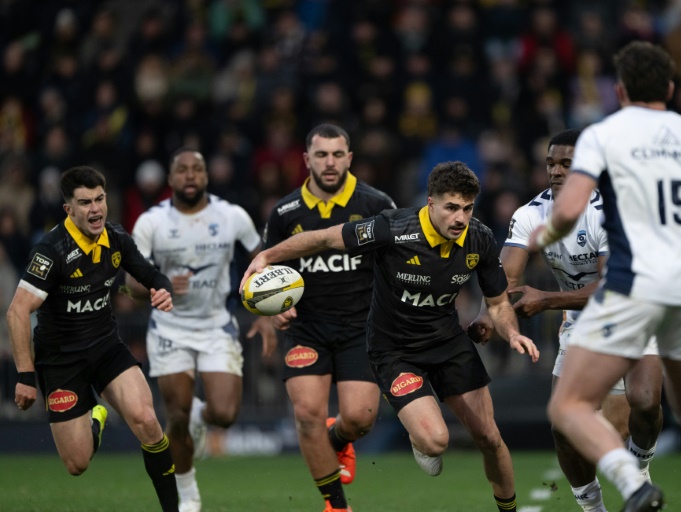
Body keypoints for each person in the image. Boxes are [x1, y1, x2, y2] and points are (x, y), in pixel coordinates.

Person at [528, 41, 681, 512]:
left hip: (631, 285)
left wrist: (544, 233)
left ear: (619, 90)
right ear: (672, 88)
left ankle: (633, 484)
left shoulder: (604, 136)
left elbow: (571, 208)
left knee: (567, 405)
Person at [472, 128, 681, 512]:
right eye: (551, 163)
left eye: (566, 164)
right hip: (587, 319)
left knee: (678, 403)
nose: (556, 171)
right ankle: (600, 505)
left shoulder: (649, 212)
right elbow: (504, 283)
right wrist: (486, 316)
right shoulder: (535, 214)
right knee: (568, 424)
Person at [243, 160, 541, 512]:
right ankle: (418, 437)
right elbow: (325, 238)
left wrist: (511, 334)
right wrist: (267, 255)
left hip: (447, 342)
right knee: (435, 442)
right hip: (394, 350)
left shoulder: (479, 237)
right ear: (431, 202)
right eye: (451, 207)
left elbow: (497, 302)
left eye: (467, 208)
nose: (460, 218)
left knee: (490, 437)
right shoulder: (392, 228)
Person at [6, 166, 178, 511]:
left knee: (147, 421)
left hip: (105, 347)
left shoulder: (116, 238)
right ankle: (95, 415)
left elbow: (151, 274)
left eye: (99, 199)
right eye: (85, 202)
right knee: (77, 464)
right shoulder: (51, 251)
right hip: (61, 360)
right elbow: (16, 311)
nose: (96, 209)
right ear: (68, 209)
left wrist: (164, 289)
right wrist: (25, 375)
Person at [126, 148, 276, 512]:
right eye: (182, 170)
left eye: (197, 169)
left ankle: (199, 416)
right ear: (171, 178)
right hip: (170, 328)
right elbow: (131, 285)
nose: (190, 175)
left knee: (224, 414)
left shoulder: (231, 216)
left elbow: (263, 261)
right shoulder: (151, 222)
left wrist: (266, 311)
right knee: (174, 416)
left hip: (215, 326)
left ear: (207, 176)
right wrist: (157, 286)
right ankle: (188, 493)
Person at [259, 123, 396, 512]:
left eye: (338, 154)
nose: (330, 162)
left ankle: (338, 439)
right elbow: (265, 271)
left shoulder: (376, 204)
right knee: (306, 413)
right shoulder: (285, 212)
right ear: (306, 160)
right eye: (321, 155)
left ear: (350, 158)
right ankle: (336, 505)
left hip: (361, 328)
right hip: (307, 328)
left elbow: (394, 266)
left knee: (360, 419)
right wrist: (275, 310)